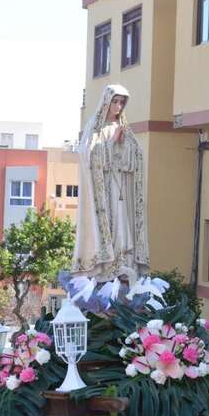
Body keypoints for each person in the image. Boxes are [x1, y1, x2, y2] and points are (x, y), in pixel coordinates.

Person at [71, 84, 150, 286]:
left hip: (122, 183)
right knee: (110, 221)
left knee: (123, 221)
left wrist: (125, 146)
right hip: (104, 188)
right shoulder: (95, 127)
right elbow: (87, 155)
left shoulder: (124, 128)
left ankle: (124, 261)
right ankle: (107, 265)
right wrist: (112, 142)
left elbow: (136, 156)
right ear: (107, 102)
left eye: (122, 102)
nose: (118, 106)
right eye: (115, 101)